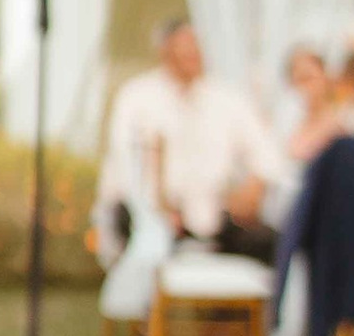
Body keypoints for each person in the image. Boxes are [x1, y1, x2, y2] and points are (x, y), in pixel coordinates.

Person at [97, 18, 285, 260]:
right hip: (153, 215)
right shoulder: (137, 97)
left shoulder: (227, 98)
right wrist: (157, 209)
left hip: (216, 218)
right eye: (185, 46)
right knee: (141, 234)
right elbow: (126, 163)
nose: (193, 53)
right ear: (165, 50)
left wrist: (255, 186)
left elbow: (267, 154)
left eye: (197, 46)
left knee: (272, 242)